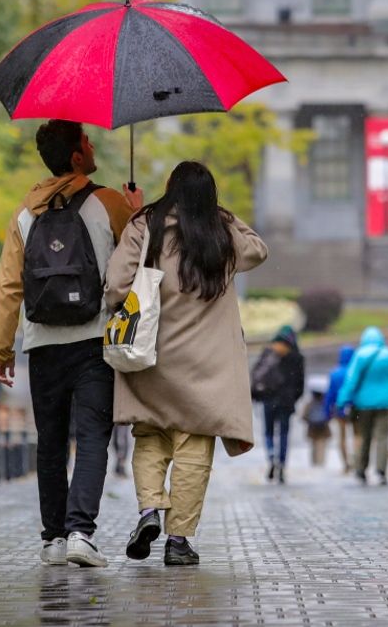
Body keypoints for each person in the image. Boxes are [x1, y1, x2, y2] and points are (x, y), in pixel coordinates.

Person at [0, 119, 142, 568]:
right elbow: (139, 252)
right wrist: (138, 211)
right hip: (93, 339)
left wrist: (2, 349)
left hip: (41, 344)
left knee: (51, 440)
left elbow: (8, 286)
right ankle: (81, 532)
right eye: (88, 141)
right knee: (94, 436)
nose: (93, 146)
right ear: (77, 156)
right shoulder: (107, 203)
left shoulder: (24, 213)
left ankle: (53, 538)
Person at [105, 161, 268, 566]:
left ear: (170, 188)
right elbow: (259, 249)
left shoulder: (146, 227)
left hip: (153, 357)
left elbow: (114, 287)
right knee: (194, 448)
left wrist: (138, 213)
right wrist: (222, 214)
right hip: (206, 366)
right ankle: (178, 540)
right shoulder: (221, 234)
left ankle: (148, 511)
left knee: (151, 438)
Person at [337, 327, 388, 486]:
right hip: (385, 402)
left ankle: (361, 469)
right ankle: (381, 471)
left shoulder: (360, 354)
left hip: (363, 403)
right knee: (383, 437)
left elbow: (351, 380)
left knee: (364, 436)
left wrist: (342, 400)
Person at [256, 325, 305, 485]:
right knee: (283, 433)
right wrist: (293, 398)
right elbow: (300, 384)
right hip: (286, 401)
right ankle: (282, 464)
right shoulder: (297, 357)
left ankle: (271, 458)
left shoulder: (269, 353)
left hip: (269, 399)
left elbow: (257, 375)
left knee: (269, 431)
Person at [324, 345, 356, 474]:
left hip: (339, 408)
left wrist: (327, 411)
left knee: (342, 437)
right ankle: (357, 461)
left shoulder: (335, 373)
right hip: (355, 407)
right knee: (357, 435)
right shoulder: (354, 371)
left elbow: (330, 394)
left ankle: (346, 463)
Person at [301, 375, 332, 467]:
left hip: (312, 427)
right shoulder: (325, 404)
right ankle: (321, 461)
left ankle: (314, 462)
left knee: (313, 445)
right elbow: (330, 414)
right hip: (323, 427)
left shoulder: (309, 404)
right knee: (322, 445)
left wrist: (308, 420)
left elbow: (303, 416)